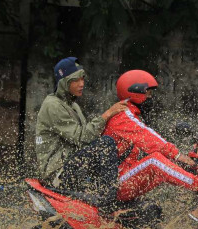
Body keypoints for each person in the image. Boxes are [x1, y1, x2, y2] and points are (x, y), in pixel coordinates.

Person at [102, 70, 198, 223]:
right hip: (115, 184)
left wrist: (186, 163)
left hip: (124, 177)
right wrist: (178, 155)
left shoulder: (131, 115)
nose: (151, 98)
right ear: (135, 93)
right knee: (155, 161)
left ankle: (194, 206)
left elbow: (153, 142)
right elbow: (150, 138)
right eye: (148, 94)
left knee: (167, 166)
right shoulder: (123, 117)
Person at [35, 57, 128, 204]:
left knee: (117, 147)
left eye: (82, 79)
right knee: (105, 144)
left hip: (70, 165)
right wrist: (108, 113)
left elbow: (87, 140)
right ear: (64, 83)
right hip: (58, 173)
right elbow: (82, 137)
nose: (81, 84)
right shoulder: (53, 105)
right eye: (75, 80)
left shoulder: (72, 105)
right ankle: (107, 201)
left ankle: (112, 197)